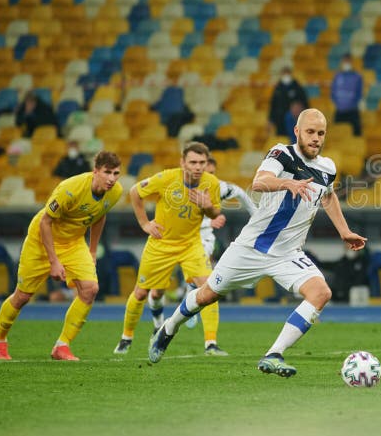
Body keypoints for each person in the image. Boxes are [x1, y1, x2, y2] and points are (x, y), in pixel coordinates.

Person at [148, 108, 367, 377]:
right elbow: (259, 182)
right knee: (207, 295)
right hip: (252, 248)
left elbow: (328, 197)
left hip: (288, 253)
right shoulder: (282, 154)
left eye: (321, 133)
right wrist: (287, 185)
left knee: (321, 293)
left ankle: (273, 355)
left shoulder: (327, 167)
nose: (316, 138)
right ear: (297, 131)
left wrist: (344, 231)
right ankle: (169, 328)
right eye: (310, 132)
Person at [0, 151, 123, 361]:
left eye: (116, 173)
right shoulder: (70, 189)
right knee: (22, 296)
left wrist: (93, 250)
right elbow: (45, 222)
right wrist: (54, 261)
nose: (112, 179)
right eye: (107, 172)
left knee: (90, 289)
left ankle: (62, 346)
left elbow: (99, 215)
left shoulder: (115, 192)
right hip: (41, 241)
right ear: (95, 171)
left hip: (73, 242)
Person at [113, 142, 226, 356]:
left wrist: (207, 206)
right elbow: (135, 192)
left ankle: (211, 344)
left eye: (202, 162)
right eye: (193, 162)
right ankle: (126, 338)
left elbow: (215, 213)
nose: (198, 167)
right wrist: (145, 223)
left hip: (191, 244)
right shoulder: (166, 178)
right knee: (142, 293)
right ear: (182, 162)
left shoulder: (211, 183)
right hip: (161, 244)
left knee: (211, 289)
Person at [162, 155, 258, 331]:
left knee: (203, 261)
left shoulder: (219, 188)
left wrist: (256, 216)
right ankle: (177, 298)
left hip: (203, 237)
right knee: (155, 288)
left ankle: (188, 294)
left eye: (213, 172)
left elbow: (240, 193)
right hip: (179, 236)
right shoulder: (184, 188)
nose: (210, 175)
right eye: (207, 172)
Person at [268, 66, 309, 138]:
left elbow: (304, 103)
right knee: (282, 140)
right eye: (284, 74)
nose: (286, 76)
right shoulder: (278, 89)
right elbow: (273, 106)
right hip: (280, 120)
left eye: (287, 74)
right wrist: (271, 120)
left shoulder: (297, 87)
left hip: (294, 119)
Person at [330, 53, 363, 136]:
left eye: (348, 61)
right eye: (344, 61)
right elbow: (333, 93)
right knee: (336, 135)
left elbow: (359, 94)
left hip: (352, 111)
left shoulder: (357, 77)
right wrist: (339, 104)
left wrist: (352, 104)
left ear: (351, 62)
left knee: (356, 136)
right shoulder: (337, 76)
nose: (346, 63)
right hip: (340, 111)